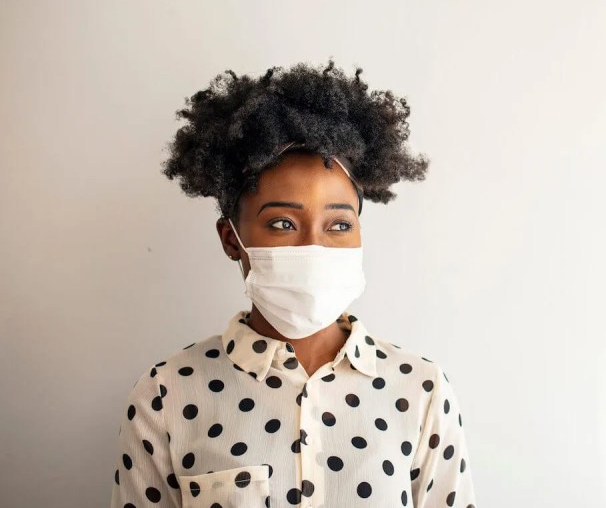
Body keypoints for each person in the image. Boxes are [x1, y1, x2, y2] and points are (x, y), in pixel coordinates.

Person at [110, 60, 478, 507]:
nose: (313, 247)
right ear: (231, 239)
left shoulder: (421, 390)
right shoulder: (166, 394)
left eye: (339, 225)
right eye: (282, 223)